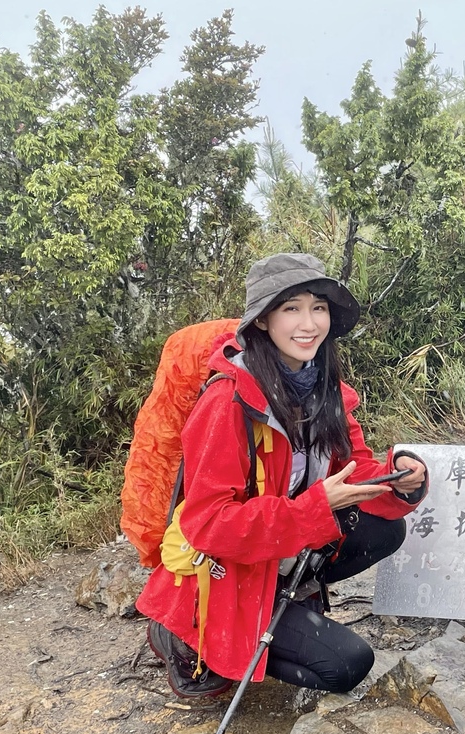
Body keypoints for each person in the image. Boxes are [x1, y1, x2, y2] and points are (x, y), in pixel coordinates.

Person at [136, 252, 428, 698]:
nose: (308, 323)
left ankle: (280, 600)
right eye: (291, 308)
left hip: (276, 550)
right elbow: (208, 524)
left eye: (318, 307)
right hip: (223, 571)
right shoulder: (228, 403)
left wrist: (397, 478)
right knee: (347, 666)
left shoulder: (324, 388)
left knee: (387, 528)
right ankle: (181, 632)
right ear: (262, 322)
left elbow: (357, 466)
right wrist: (316, 508)